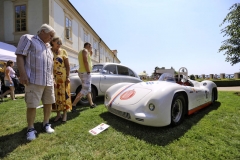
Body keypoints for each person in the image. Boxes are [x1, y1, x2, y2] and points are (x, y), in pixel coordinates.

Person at [16, 24, 55, 141]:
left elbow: (49, 64)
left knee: (49, 103)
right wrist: (23, 74)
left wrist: (52, 78)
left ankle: (46, 123)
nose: (51, 38)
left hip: (48, 81)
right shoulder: (29, 39)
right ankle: (30, 128)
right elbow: (20, 55)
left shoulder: (48, 46)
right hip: (34, 80)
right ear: (42, 31)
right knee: (32, 104)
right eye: (50, 35)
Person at [50, 37, 72, 122]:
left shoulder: (63, 51)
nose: (60, 44)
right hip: (53, 77)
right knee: (56, 95)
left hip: (63, 77)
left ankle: (65, 114)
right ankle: (58, 114)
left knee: (64, 95)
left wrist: (68, 77)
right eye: (58, 42)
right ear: (53, 42)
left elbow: (68, 66)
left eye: (60, 42)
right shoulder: (49, 51)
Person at [72, 42, 96, 112]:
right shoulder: (84, 50)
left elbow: (90, 55)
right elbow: (85, 61)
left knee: (88, 89)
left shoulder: (84, 51)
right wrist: (88, 71)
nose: (91, 48)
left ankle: (91, 104)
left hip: (83, 72)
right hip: (85, 72)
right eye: (91, 46)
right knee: (85, 89)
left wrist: (91, 50)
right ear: (88, 46)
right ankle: (73, 105)